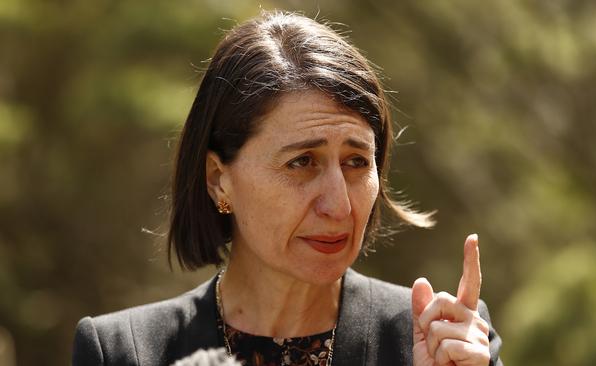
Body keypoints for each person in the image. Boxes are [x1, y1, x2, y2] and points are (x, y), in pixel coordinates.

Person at [72, 11, 503, 366]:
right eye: (302, 162)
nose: (339, 205)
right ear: (219, 178)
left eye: (356, 162)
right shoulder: (123, 352)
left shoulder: (445, 342)